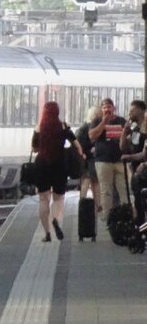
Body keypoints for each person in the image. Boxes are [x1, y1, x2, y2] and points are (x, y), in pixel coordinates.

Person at [32, 101, 82, 242]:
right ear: (57, 112)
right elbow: (76, 144)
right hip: (60, 165)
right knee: (58, 198)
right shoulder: (63, 126)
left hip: (42, 164)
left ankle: (47, 234)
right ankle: (55, 219)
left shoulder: (39, 127)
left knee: (43, 199)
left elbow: (34, 148)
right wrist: (80, 156)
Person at [88, 98, 130, 216]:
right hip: (103, 161)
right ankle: (107, 218)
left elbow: (128, 138)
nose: (107, 109)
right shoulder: (97, 121)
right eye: (104, 107)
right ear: (101, 110)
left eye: (109, 106)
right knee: (106, 191)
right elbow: (92, 136)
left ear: (113, 108)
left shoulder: (121, 120)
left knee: (123, 189)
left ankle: (126, 216)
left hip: (119, 161)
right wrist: (103, 122)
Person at [76, 104, 101, 201]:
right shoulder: (85, 128)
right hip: (88, 161)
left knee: (88, 183)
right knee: (90, 183)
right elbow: (80, 146)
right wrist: (90, 151)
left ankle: (84, 205)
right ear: (95, 115)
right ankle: (96, 206)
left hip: (88, 160)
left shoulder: (83, 128)